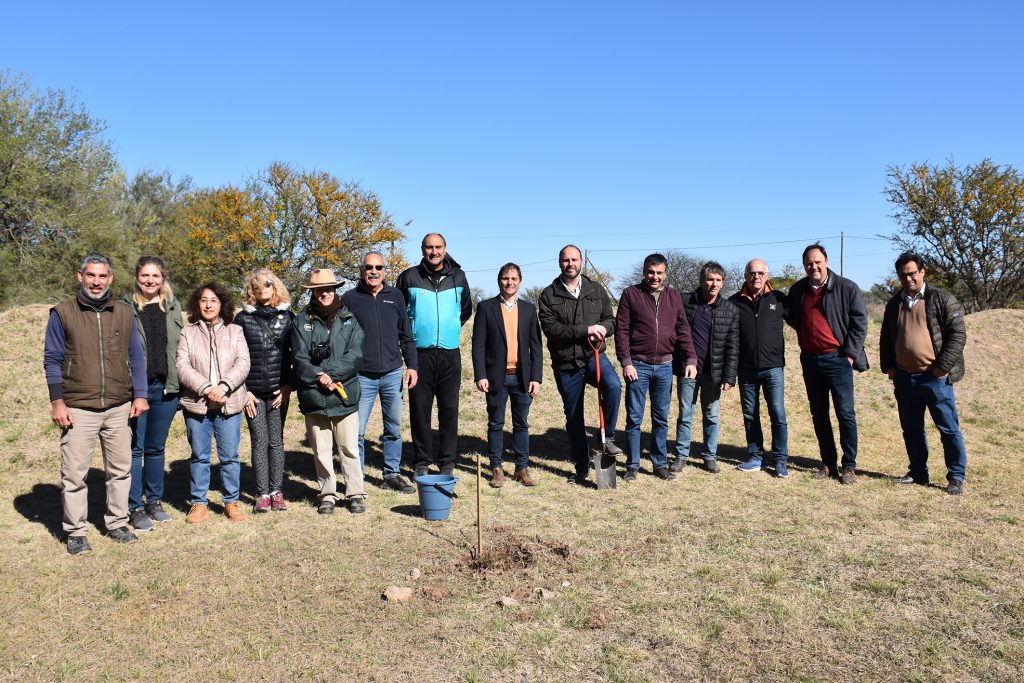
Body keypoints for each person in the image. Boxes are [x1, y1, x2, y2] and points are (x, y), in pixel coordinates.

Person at [44, 252, 149, 554]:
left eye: (102, 276)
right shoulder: (62, 313)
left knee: (120, 470)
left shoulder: (125, 312)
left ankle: (116, 522)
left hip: (118, 406)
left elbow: (136, 357)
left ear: (110, 279)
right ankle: (76, 531)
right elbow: (52, 359)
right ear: (80, 276)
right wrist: (57, 402)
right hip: (78, 406)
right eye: (91, 275)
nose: (96, 281)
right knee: (74, 473)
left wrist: (140, 394)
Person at [879, 252, 968, 495]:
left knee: (948, 428)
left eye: (912, 273)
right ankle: (918, 472)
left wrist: (942, 367)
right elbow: (886, 337)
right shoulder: (894, 303)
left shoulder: (941, 299)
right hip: (905, 378)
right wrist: (889, 366)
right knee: (912, 429)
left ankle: (956, 476)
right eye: (903, 275)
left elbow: (958, 335)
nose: (908, 279)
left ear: (922, 272)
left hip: (935, 377)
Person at [538, 244, 622, 485]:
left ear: (581, 262)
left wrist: (604, 328)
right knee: (574, 416)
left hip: (594, 356)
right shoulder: (548, 294)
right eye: (566, 260)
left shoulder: (596, 289)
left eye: (574, 259)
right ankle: (581, 465)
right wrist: (586, 329)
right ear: (559, 262)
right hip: (566, 363)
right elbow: (552, 331)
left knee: (614, 386)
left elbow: (610, 320)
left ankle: (607, 438)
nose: (570, 264)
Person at [786, 243, 868, 484]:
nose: (814, 267)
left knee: (845, 413)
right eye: (809, 263)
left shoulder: (846, 287)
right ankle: (828, 463)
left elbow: (860, 323)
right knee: (819, 414)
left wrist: (850, 354)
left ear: (827, 261)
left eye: (818, 261)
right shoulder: (798, 290)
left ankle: (849, 466)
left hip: (838, 359)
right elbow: (793, 317)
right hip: (810, 360)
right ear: (804, 266)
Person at [291, 269, 367, 514]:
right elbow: (300, 358)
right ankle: (327, 494)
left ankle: (355, 493)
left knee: (348, 448)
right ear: (312, 291)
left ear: (335, 289)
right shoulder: (300, 321)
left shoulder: (350, 319)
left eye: (328, 288)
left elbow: (355, 354)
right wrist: (320, 377)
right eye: (319, 289)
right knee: (321, 450)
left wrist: (332, 375)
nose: (324, 293)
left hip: (343, 393)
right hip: (314, 395)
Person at [395, 233, 471, 478]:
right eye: (429, 247)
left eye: (438, 247)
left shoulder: (458, 276)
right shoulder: (408, 277)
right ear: (422, 249)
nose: (434, 252)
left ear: (445, 248)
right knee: (420, 411)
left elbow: (465, 310)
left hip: (450, 354)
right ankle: (421, 461)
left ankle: (447, 461)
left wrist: (449, 328)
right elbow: (401, 315)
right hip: (420, 355)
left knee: (449, 410)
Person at [615, 253, 696, 481]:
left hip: (665, 366)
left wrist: (691, 358)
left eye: (659, 273)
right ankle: (632, 465)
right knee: (635, 418)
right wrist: (626, 362)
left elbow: (683, 329)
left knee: (661, 418)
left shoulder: (673, 296)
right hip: (638, 366)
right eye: (651, 272)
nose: (655, 277)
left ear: (665, 274)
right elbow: (621, 331)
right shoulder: (631, 294)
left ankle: (659, 463)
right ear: (644, 272)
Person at [342, 252, 418, 494]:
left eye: (379, 267)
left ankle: (391, 474)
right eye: (369, 267)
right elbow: (342, 338)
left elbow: (406, 334)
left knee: (394, 428)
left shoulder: (395, 296)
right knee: (357, 431)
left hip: (393, 373)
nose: (374, 271)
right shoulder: (350, 299)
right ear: (362, 270)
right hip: (362, 375)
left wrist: (412, 365)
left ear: (385, 270)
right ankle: (357, 476)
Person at [177, 282, 251, 523]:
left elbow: (243, 363)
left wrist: (224, 386)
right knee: (199, 456)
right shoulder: (187, 333)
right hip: (197, 404)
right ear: (197, 304)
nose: (208, 305)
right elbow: (182, 366)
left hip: (229, 403)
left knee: (229, 455)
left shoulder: (235, 331)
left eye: (214, 300)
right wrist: (207, 388)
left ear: (222, 305)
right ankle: (198, 503)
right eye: (203, 300)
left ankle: (231, 501)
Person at [122, 256, 183, 531]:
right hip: (137, 390)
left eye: (156, 276)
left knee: (156, 448)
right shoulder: (125, 307)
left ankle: (154, 501)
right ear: (137, 277)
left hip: (166, 387)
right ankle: (134, 506)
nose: (150, 281)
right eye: (145, 275)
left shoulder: (172, 306)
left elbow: (179, 346)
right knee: (135, 449)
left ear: (163, 278)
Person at [472, 263, 543, 487]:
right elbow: (478, 345)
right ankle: (496, 467)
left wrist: (536, 377)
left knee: (521, 423)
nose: (509, 282)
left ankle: (522, 468)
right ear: (499, 281)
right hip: (496, 377)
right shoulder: (486, 308)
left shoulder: (529, 309)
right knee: (495, 423)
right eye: (505, 278)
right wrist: (480, 374)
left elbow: (536, 347)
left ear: (520, 281)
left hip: (522, 377)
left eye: (513, 278)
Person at [235, 269, 295, 513]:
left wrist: (289, 386)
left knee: (276, 442)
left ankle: (276, 491)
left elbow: (296, 355)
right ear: (251, 290)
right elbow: (235, 357)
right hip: (253, 393)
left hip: (279, 391)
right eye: (256, 286)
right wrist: (244, 390)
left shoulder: (289, 317)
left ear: (275, 288)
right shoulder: (242, 319)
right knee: (259, 441)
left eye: (267, 285)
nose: (262, 289)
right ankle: (262, 494)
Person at [673, 261, 739, 474]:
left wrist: (729, 376)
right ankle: (681, 455)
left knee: (711, 415)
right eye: (710, 279)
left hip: (715, 372)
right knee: (685, 413)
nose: (714, 284)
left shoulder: (730, 309)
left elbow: (733, 345)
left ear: (723, 283)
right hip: (688, 369)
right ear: (701, 281)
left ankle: (709, 456)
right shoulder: (685, 302)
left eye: (718, 280)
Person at [729, 259, 790, 477]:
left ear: (767, 275)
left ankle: (781, 459)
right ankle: (755, 456)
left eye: (760, 273)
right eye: (752, 273)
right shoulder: (734, 302)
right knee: (750, 414)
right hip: (746, 369)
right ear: (745, 275)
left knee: (777, 413)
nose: (756, 276)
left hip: (773, 367)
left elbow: (801, 322)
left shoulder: (779, 298)